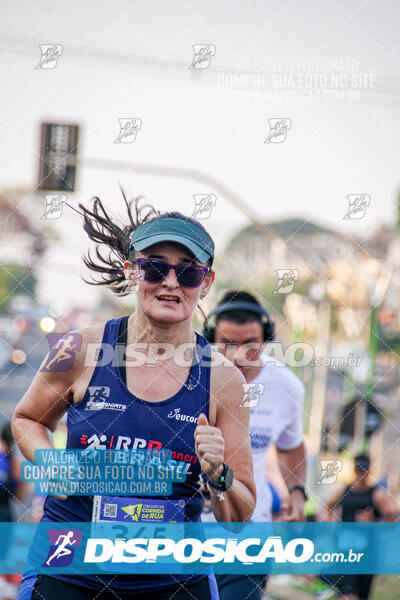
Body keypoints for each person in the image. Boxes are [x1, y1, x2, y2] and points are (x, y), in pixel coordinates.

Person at [12, 196, 256, 600]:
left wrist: (217, 474)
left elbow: (239, 515)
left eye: (189, 273)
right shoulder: (80, 349)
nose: (171, 282)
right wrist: (52, 462)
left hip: (173, 582)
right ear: (132, 272)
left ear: (206, 283)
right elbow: (27, 419)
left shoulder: (224, 380)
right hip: (71, 569)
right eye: (156, 267)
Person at [202, 291, 307, 600]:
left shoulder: (287, 387)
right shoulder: (187, 376)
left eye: (250, 344)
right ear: (210, 337)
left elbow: (292, 447)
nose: (237, 355)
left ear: (266, 340)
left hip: (250, 535)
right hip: (187, 531)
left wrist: (297, 493)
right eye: (226, 343)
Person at [323, 454, 397, 600]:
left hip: (367, 553)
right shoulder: (344, 491)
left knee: (361, 595)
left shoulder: (376, 495)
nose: (360, 474)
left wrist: (373, 524)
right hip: (345, 552)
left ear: (369, 471)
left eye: (363, 471)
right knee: (347, 594)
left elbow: (392, 519)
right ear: (353, 470)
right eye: (358, 470)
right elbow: (328, 507)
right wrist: (331, 530)